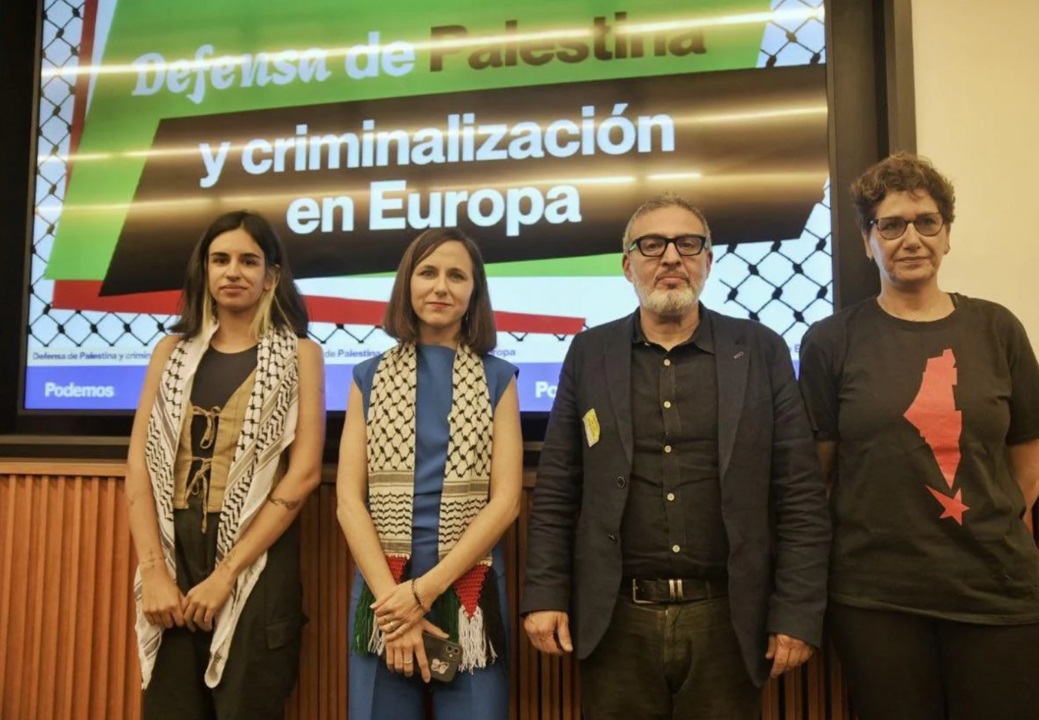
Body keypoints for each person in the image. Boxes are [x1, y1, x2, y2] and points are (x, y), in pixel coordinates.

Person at [521, 193, 830, 720]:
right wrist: (545, 594)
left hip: (730, 620)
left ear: (707, 261)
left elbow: (800, 492)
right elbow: (557, 487)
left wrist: (797, 612)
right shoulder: (589, 354)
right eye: (651, 245)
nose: (670, 257)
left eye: (687, 244)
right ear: (627, 265)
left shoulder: (761, 350)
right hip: (616, 619)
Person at [798, 152, 1039, 720]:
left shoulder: (998, 328)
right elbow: (819, 473)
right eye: (890, 225)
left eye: (926, 222)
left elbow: (1027, 459)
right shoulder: (830, 341)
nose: (911, 239)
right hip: (876, 599)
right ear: (868, 241)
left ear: (947, 235)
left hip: (996, 589)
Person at [125, 210, 325, 720]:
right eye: (220, 260)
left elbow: (304, 474)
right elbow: (139, 466)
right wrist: (154, 573)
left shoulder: (302, 354)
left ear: (271, 276)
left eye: (248, 261)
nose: (233, 271)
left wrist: (226, 575)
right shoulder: (169, 351)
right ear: (205, 270)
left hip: (257, 558)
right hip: (173, 553)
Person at [336, 228, 523, 720]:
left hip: (468, 591)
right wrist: (396, 606)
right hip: (382, 593)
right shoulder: (366, 376)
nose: (441, 286)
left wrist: (423, 593)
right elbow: (348, 500)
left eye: (456, 276)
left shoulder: (499, 378)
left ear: (474, 293)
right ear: (407, 284)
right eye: (428, 273)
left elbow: (506, 501)